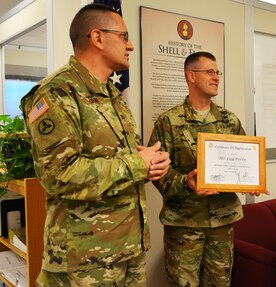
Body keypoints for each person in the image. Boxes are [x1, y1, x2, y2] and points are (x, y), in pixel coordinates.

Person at [21, 4, 170, 286]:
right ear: (98, 37)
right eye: (124, 36)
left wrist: (152, 164)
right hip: (85, 261)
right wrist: (139, 163)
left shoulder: (112, 95)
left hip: (129, 248)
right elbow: (59, 175)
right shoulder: (55, 93)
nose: (131, 46)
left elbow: (127, 160)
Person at [148, 51, 260, 287]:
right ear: (191, 76)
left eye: (217, 72)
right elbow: (157, 172)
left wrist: (251, 179)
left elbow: (243, 159)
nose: (216, 77)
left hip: (222, 222)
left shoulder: (230, 120)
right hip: (184, 224)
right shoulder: (169, 121)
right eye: (210, 72)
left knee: (220, 284)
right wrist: (185, 183)